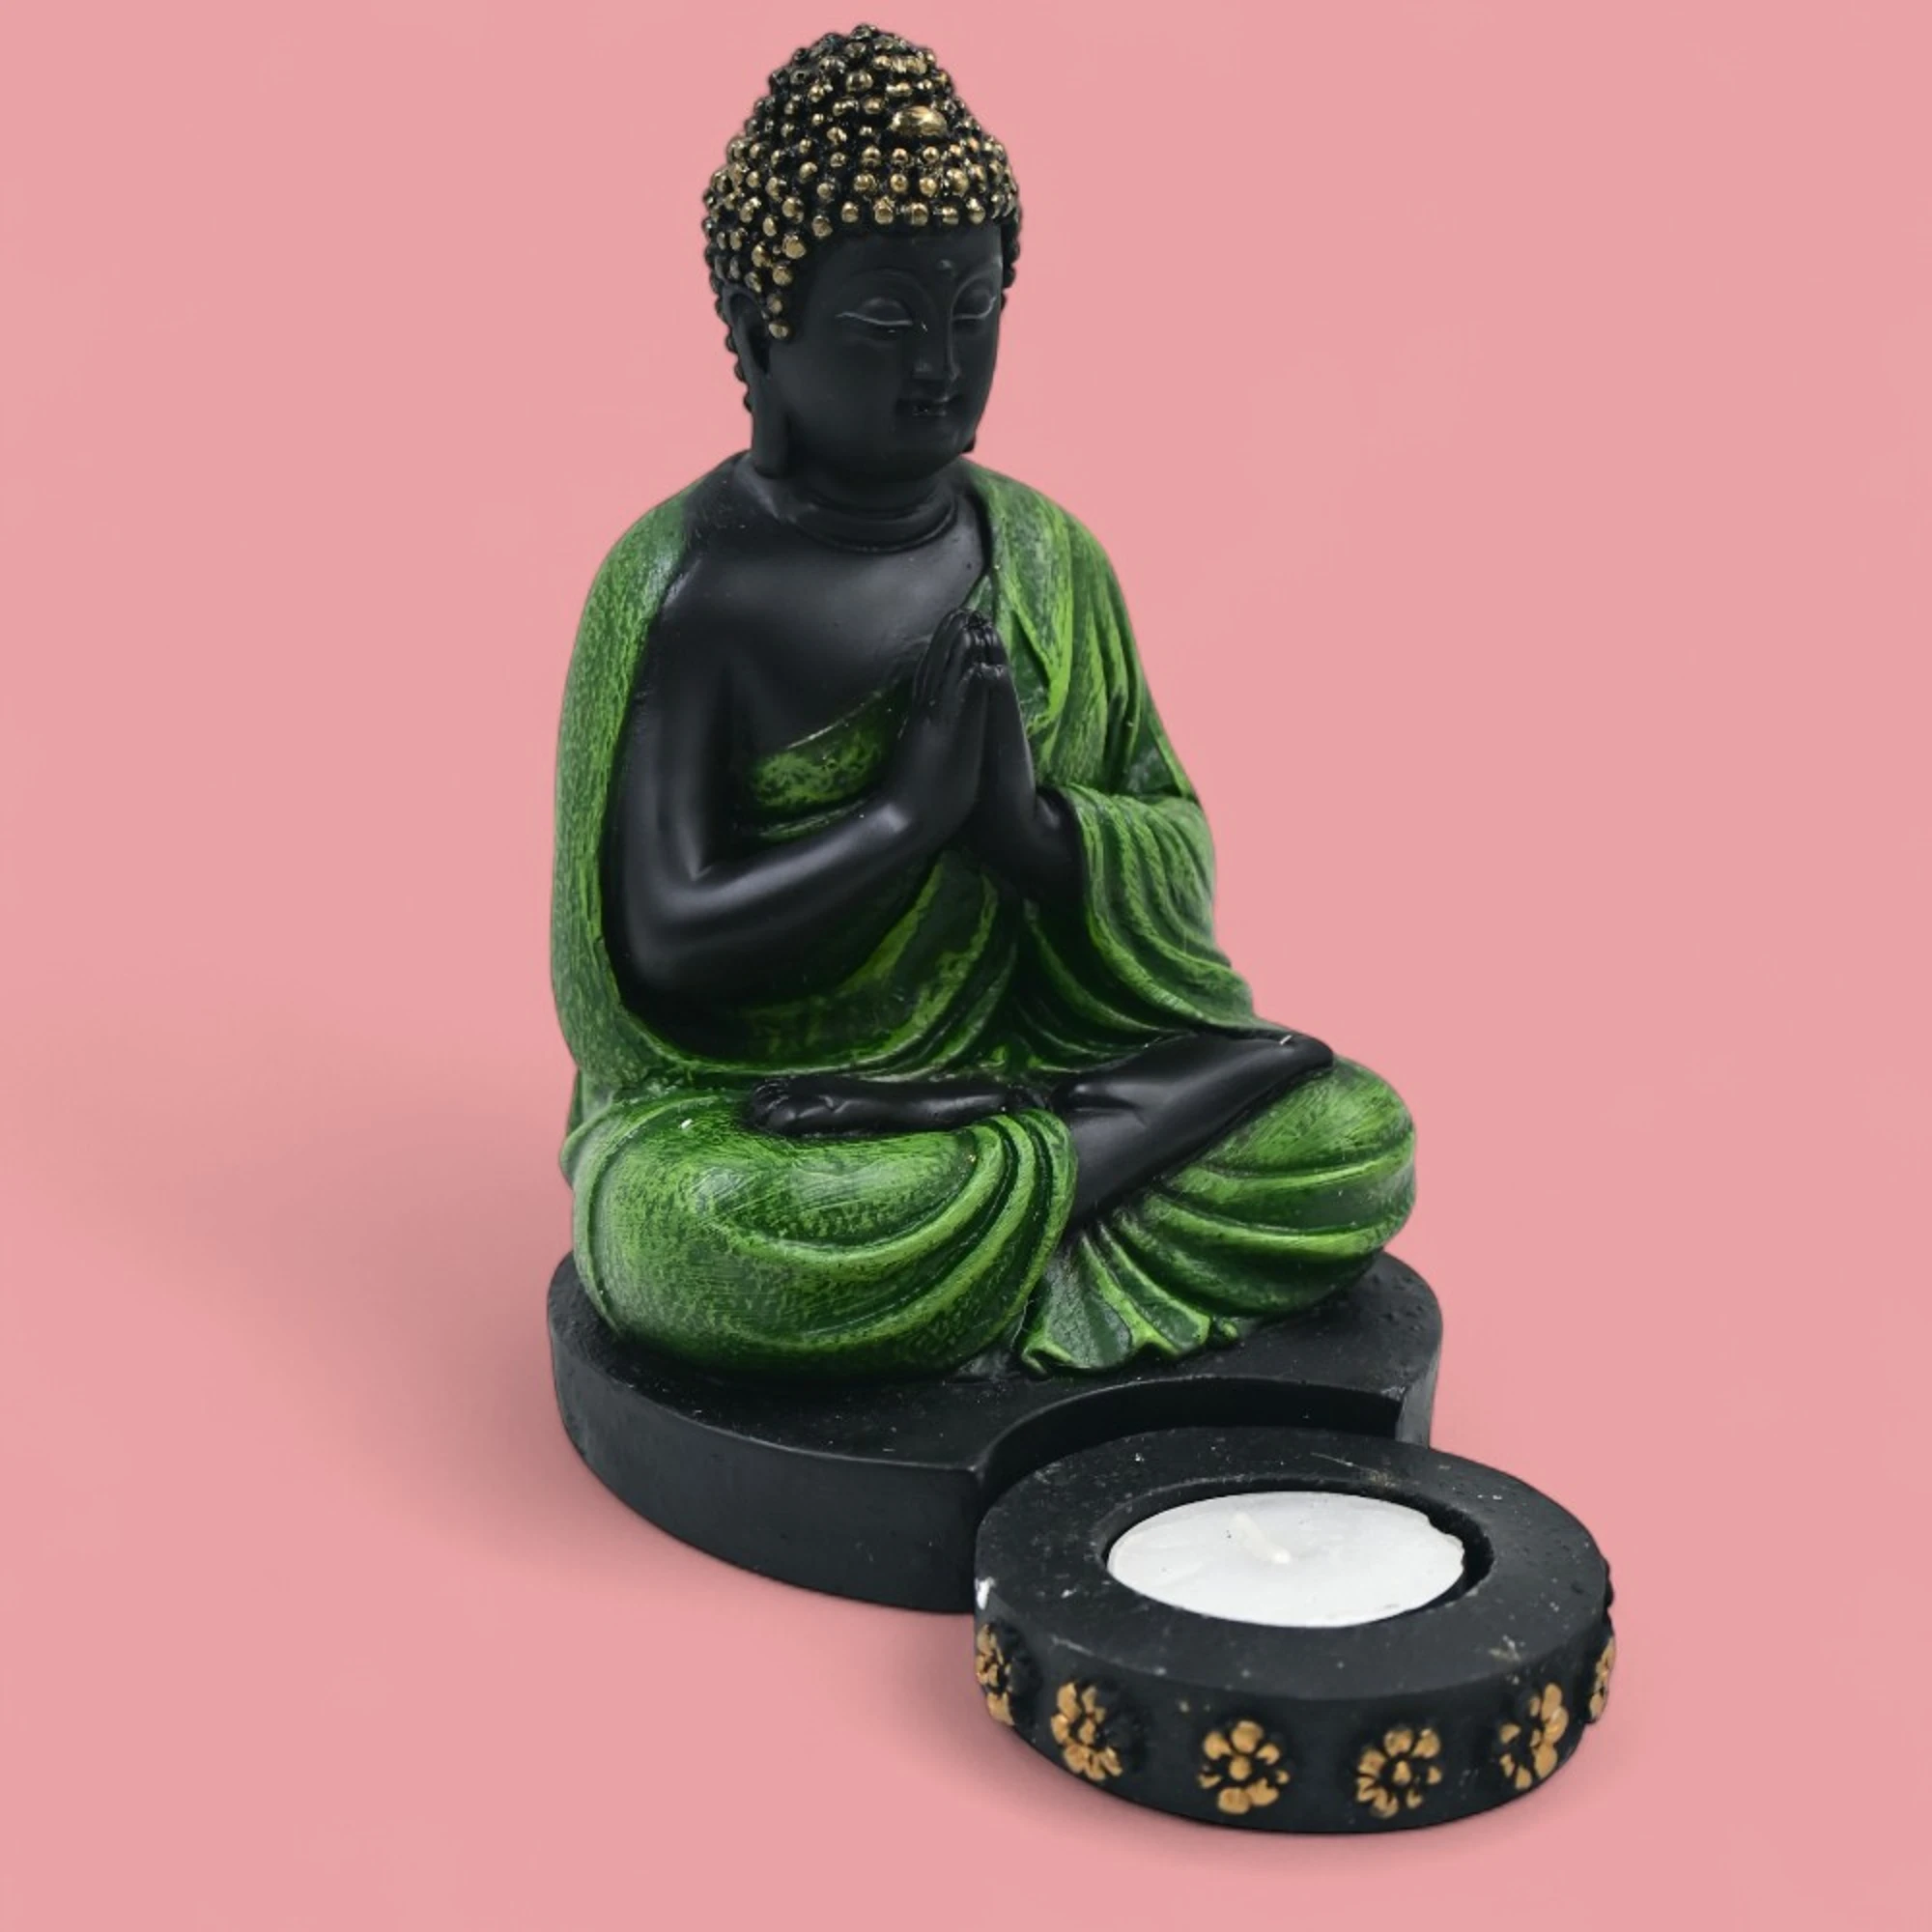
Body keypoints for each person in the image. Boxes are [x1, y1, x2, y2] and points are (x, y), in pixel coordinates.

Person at [551, 26, 1413, 1377]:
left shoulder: (1049, 558)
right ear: (760, 329)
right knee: (690, 1235)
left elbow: (1170, 842)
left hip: (1018, 1058)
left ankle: (1033, 1152)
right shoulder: (688, 587)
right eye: (888, 322)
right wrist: (901, 819)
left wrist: (1031, 833)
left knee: (1352, 1138)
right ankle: (1099, 1142)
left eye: (974, 310)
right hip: (759, 1112)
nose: (942, 365)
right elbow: (657, 944)